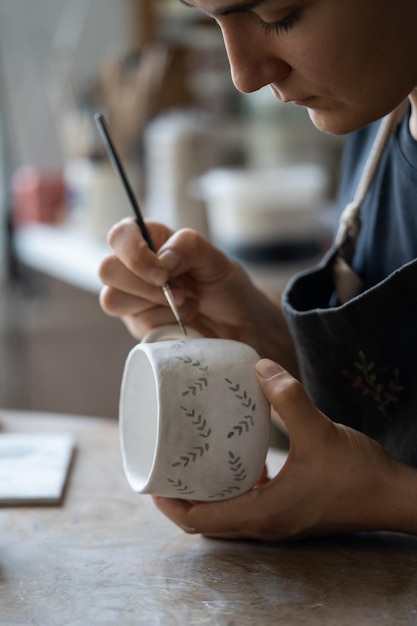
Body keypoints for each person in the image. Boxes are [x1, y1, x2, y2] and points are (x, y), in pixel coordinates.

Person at [98, 0, 417, 540]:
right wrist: (257, 341)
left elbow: (384, 474)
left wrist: (385, 499)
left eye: (277, 15)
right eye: (212, 21)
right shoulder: (377, 118)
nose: (243, 76)